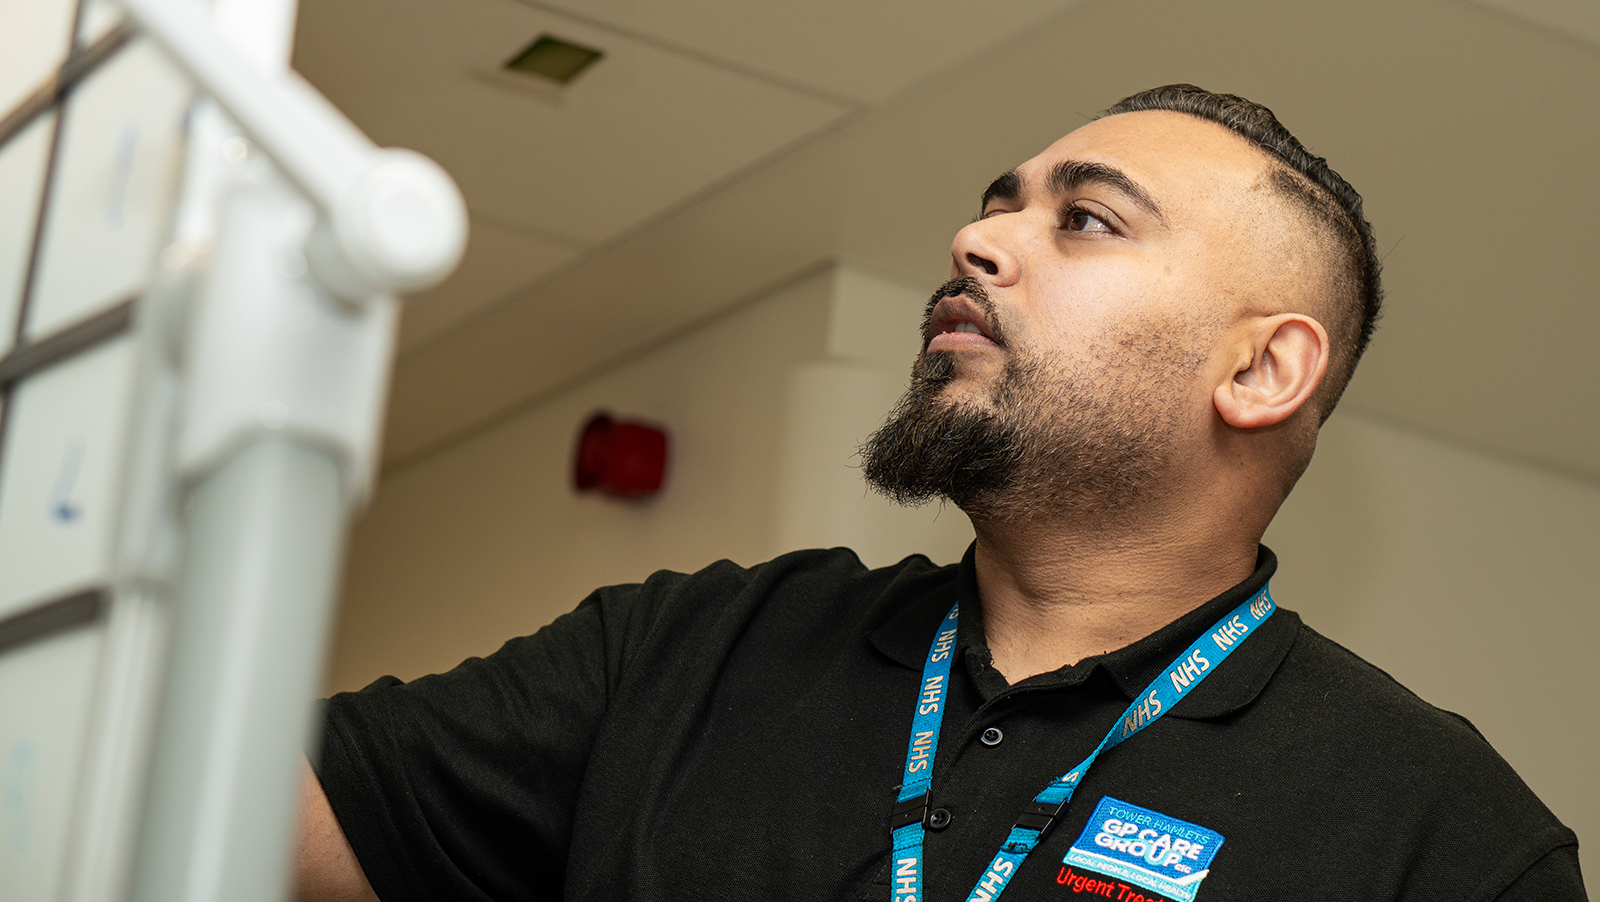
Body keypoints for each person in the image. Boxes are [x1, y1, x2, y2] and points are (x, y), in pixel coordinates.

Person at [295, 85, 1585, 902]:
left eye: (1086, 221)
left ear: (1259, 368)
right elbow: (248, 815)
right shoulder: (693, 649)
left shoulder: (1445, 838)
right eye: (996, 204)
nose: (978, 241)